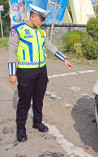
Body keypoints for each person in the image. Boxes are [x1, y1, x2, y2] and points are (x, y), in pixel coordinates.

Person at [8, 4, 74, 142]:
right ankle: (21, 129)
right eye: (41, 19)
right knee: (24, 102)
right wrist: (12, 73)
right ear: (33, 16)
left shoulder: (41, 32)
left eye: (43, 19)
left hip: (41, 71)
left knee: (38, 100)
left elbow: (50, 47)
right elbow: (12, 51)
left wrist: (64, 59)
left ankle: (37, 122)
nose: (42, 22)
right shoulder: (17, 30)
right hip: (25, 72)